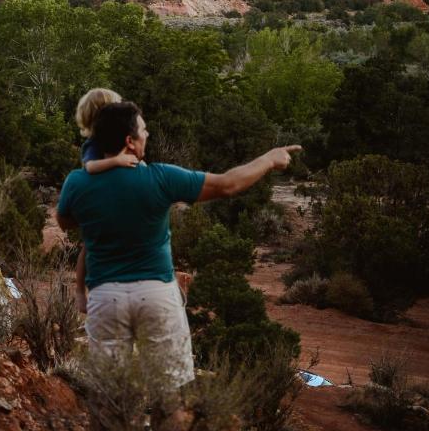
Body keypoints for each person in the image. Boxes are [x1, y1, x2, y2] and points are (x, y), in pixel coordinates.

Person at [57, 101, 301, 388]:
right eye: (143, 130)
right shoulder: (160, 177)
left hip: (105, 296)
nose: (147, 135)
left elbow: (66, 223)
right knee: (171, 393)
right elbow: (228, 184)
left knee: (107, 394)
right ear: (130, 141)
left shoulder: (77, 182)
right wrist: (270, 159)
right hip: (156, 293)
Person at [73, 88, 140, 313]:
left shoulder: (120, 140)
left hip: (119, 198)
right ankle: (79, 292)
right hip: (103, 199)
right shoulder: (94, 144)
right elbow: (90, 166)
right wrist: (117, 162)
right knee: (89, 245)